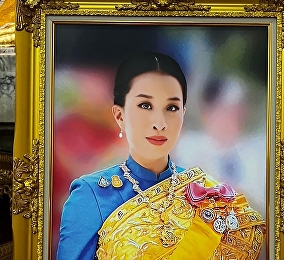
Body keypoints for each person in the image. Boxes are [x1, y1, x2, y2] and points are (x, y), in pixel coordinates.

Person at [57, 51, 265, 260]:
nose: (159, 122)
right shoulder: (92, 195)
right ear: (120, 116)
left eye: (171, 107)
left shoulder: (210, 193)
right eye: (145, 106)